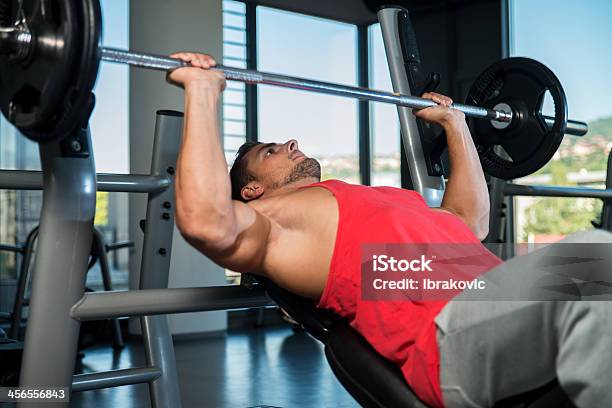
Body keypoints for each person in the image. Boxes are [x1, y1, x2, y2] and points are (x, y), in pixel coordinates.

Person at [166, 52, 612, 408]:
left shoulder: (378, 198)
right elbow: (207, 221)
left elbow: (469, 222)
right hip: (448, 338)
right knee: (597, 260)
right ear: (252, 190)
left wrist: (455, 126)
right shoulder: (278, 219)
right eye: (271, 150)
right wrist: (203, 93)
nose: (291, 144)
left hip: (495, 304)